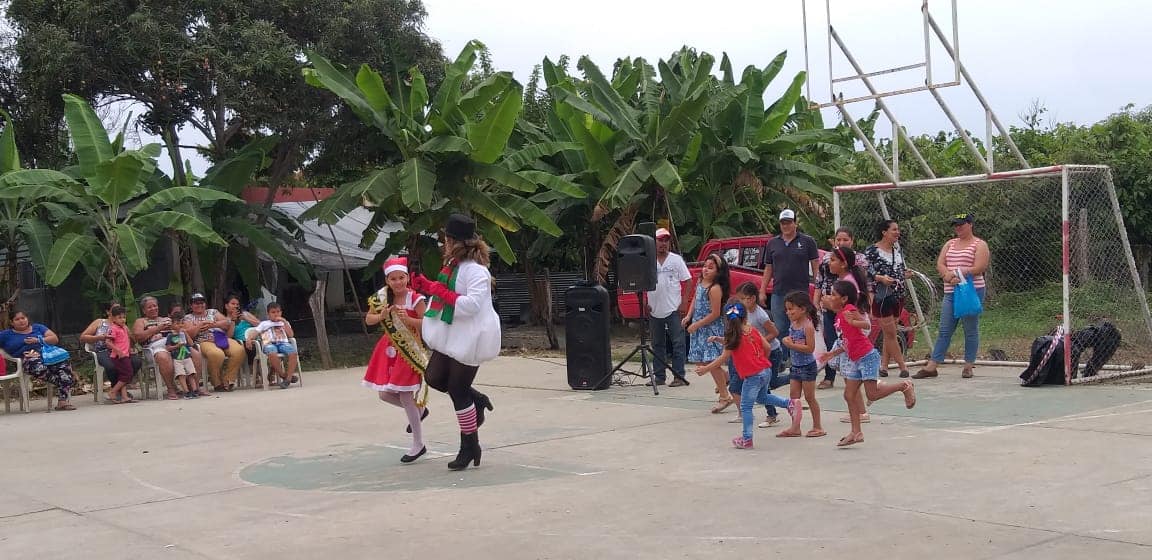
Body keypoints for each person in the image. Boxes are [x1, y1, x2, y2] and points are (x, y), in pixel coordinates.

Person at [410, 213, 500, 471]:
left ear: (454, 241)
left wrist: (438, 290)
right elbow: (446, 293)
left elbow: (471, 305)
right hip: (451, 333)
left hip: (471, 337)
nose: (444, 244)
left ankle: (469, 446)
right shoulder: (452, 266)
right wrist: (429, 286)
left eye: (446, 239)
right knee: (434, 377)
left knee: (458, 391)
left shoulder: (477, 271)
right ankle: (477, 400)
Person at [821, 281, 916, 447]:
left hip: (867, 357)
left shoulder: (849, 310)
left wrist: (853, 322)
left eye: (833, 295)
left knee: (872, 395)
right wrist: (832, 353)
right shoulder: (839, 316)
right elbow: (847, 341)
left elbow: (867, 324)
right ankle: (856, 433)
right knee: (849, 395)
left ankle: (904, 386)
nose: (828, 297)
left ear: (843, 299)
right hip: (855, 359)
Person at [695, 302, 798, 449]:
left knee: (745, 407)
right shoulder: (752, 330)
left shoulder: (733, 336)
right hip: (765, 370)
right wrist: (760, 360)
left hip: (753, 376)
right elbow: (767, 347)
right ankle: (789, 404)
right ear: (745, 317)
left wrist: (706, 368)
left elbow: (724, 357)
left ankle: (747, 439)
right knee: (762, 397)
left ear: (726, 320)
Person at [363, 257, 429, 463]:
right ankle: (420, 411)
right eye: (393, 279)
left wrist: (408, 320)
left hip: (409, 351)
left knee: (406, 396)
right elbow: (369, 319)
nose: (398, 282)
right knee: (384, 394)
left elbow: (427, 323)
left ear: (407, 278)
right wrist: (381, 316)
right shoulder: (382, 298)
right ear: (387, 280)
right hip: (388, 349)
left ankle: (418, 444)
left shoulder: (415, 298)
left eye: (401, 278)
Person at [913, 212, 991, 379]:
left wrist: (960, 273)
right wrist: (947, 275)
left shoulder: (980, 244)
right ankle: (932, 366)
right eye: (956, 225)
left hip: (971, 291)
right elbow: (941, 263)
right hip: (951, 291)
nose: (958, 228)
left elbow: (980, 267)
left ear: (970, 224)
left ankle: (968, 365)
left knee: (970, 328)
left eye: (961, 224)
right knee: (945, 329)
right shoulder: (950, 243)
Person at [759, 209, 821, 362]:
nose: (785, 226)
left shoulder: (807, 241)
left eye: (788, 222)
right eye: (783, 223)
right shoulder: (772, 243)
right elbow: (768, 268)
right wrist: (762, 290)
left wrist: (818, 288)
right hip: (779, 292)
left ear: (795, 223)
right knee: (780, 327)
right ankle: (783, 360)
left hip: (800, 294)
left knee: (800, 326)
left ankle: (799, 359)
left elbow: (815, 266)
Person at [815, 227, 869, 389]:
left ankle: (898, 386)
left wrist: (830, 303)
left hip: (853, 330)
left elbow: (849, 309)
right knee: (846, 369)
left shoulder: (848, 282)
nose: (829, 263)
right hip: (847, 329)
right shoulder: (843, 279)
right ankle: (857, 398)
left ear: (843, 264)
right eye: (838, 239)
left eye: (833, 260)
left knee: (853, 373)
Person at [731, 282, 789, 428]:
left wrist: (758, 341)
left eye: (743, 299)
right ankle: (772, 414)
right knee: (765, 384)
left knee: (770, 383)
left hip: (772, 351)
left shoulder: (760, 315)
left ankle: (793, 376)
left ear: (752, 298)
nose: (740, 302)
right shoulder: (744, 313)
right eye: (739, 299)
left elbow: (774, 333)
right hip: (760, 351)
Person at [0, 310, 77, 410]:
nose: (21, 321)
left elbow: (54, 339)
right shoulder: (6, 335)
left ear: (27, 318)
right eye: (17, 319)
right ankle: (68, 381)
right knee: (39, 367)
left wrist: (38, 340)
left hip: (47, 355)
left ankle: (62, 402)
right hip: (28, 359)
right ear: (11, 322)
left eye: (23, 318)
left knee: (64, 364)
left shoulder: (38, 327)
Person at [865, 219, 913, 378]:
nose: (897, 232)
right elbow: (866, 272)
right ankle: (902, 367)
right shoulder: (872, 251)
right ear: (884, 232)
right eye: (894, 229)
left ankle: (884, 366)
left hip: (898, 295)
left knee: (888, 333)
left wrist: (905, 274)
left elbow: (899, 271)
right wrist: (880, 278)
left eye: (898, 229)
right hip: (882, 296)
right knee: (891, 333)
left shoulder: (897, 250)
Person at [646, 227, 692, 387]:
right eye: (660, 240)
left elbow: (688, 281)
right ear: (654, 242)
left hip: (673, 308)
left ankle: (679, 376)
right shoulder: (648, 261)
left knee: (678, 343)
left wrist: (684, 301)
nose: (663, 244)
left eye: (666, 240)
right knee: (657, 344)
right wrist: (645, 302)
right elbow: (641, 281)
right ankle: (659, 376)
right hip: (654, 309)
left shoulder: (676, 260)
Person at [685, 253, 731, 413]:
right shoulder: (701, 282)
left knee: (712, 362)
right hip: (699, 328)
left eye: (711, 268)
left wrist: (697, 324)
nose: (705, 269)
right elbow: (695, 300)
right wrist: (689, 316)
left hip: (710, 329)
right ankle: (726, 377)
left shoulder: (715, 288)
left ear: (718, 272)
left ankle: (725, 397)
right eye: (705, 266)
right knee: (702, 362)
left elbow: (715, 313)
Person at [776, 291, 825, 438]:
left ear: (802, 309)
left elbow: (809, 348)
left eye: (791, 309)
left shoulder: (807, 326)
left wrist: (791, 345)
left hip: (807, 367)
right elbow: (794, 340)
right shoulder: (794, 324)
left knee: (809, 397)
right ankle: (795, 427)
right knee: (794, 398)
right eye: (787, 309)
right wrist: (787, 340)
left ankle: (818, 426)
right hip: (795, 366)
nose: (788, 312)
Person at [184, 293, 245, 392]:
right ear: (191, 305)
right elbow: (189, 334)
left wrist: (212, 325)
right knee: (216, 354)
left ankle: (228, 379)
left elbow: (227, 323)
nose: (200, 305)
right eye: (196, 303)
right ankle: (217, 382)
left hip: (221, 338)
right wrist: (200, 325)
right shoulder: (188, 318)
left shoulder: (213, 312)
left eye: (202, 302)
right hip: (204, 341)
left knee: (239, 350)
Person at [79, 301, 141, 398]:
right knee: (111, 366)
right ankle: (117, 390)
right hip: (103, 350)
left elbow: (132, 341)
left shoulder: (122, 324)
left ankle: (118, 388)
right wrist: (99, 337)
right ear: (108, 312)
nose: (118, 311)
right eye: (115, 310)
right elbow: (83, 337)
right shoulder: (100, 322)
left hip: (121, 351)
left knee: (136, 362)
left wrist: (129, 336)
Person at [133, 296, 188, 399]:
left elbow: (181, 329)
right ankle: (171, 388)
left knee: (194, 352)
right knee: (163, 356)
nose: (153, 308)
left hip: (174, 344)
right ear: (144, 310)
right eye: (149, 307)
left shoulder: (166, 319)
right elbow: (138, 337)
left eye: (155, 306)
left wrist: (174, 327)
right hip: (154, 349)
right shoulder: (141, 321)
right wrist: (158, 328)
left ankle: (193, 387)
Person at [255, 302, 299, 389]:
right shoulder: (264, 323)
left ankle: (288, 379)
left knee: (293, 353)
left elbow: (291, 335)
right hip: (269, 343)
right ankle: (283, 375)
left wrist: (284, 322)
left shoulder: (284, 323)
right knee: (272, 353)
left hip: (283, 343)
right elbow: (255, 332)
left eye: (278, 312)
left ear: (281, 312)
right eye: (273, 312)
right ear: (268, 314)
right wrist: (249, 339)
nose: (276, 314)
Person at [224, 294, 263, 386]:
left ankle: (272, 373)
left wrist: (246, 319)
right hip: (242, 341)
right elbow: (229, 337)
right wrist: (233, 321)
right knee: (252, 347)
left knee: (270, 346)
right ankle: (257, 376)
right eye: (233, 304)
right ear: (226, 306)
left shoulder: (245, 314)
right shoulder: (225, 320)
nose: (235, 306)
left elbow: (261, 325)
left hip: (256, 337)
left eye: (237, 304)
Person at [103, 306, 137, 404]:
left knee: (123, 375)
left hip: (126, 354)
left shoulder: (124, 328)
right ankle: (113, 392)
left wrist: (129, 350)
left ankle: (124, 396)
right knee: (128, 374)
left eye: (124, 317)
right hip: (118, 356)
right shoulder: (113, 328)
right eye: (119, 317)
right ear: (113, 318)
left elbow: (126, 341)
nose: (123, 320)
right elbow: (108, 342)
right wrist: (118, 351)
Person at [165, 317, 201, 399]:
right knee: (181, 375)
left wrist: (186, 334)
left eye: (181, 323)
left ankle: (195, 390)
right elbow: (168, 348)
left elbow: (191, 343)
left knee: (191, 373)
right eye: (177, 323)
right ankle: (186, 391)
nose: (180, 325)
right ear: (172, 325)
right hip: (177, 359)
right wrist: (177, 346)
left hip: (187, 357)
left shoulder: (184, 334)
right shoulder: (170, 336)